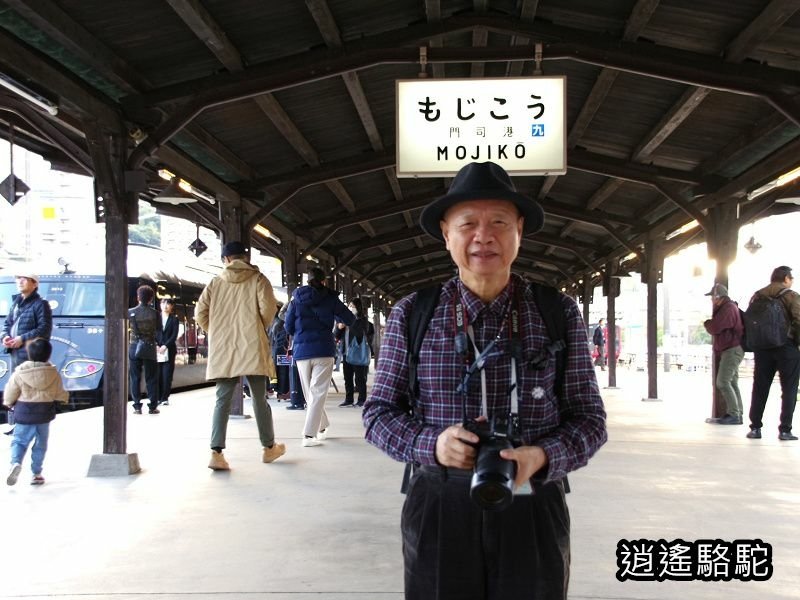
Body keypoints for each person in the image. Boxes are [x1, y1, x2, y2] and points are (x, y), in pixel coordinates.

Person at [362, 161, 607, 600]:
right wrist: (431, 445)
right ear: (445, 233)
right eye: (467, 224)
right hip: (439, 501)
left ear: (519, 231)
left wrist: (543, 456)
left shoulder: (557, 312)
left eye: (499, 222)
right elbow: (378, 414)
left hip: (533, 497)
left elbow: (590, 419)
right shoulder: (413, 312)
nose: (483, 236)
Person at [196, 241, 286, 470]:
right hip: (252, 343)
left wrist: (215, 331)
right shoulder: (258, 279)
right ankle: (268, 448)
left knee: (222, 399)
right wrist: (255, 326)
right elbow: (268, 310)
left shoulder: (215, 283)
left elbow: (200, 313)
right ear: (245, 257)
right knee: (259, 398)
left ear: (226, 259)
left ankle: (216, 453)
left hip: (224, 346)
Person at [284, 266, 354, 447]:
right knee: (316, 393)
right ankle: (309, 435)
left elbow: (288, 326)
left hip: (301, 352)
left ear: (308, 281)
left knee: (311, 394)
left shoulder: (296, 299)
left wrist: (300, 335)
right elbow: (350, 319)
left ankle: (322, 426)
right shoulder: (331, 298)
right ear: (324, 281)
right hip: (323, 350)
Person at [746, 266, 800, 441]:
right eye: (791, 278)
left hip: (763, 347)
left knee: (760, 387)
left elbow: (750, 320)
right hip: (786, 347)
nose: (792, 281)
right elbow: (799, 319)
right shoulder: (791, 295)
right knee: (789, 388)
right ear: (785, 278)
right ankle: (785, 430)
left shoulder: (757, 295)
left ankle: (755, 428)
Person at [4, 338, 68, 486]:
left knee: (19, 441)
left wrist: (8, 403)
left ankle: (15, 463)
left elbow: (10, 392)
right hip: (44, 414)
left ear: (29, 354)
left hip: (24, 412)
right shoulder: (53, 373)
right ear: (48, 355)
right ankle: (36, 473)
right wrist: (63, 400)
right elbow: (60, 393)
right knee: (40, 444)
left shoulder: (20, 372)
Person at [1, 270, 52, 433]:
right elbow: (7, 324)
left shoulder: (41, 304)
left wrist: (21, 338)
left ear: (34, 284)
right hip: (15, 352)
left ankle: (28, 424)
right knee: (17, 387)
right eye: (18, 278)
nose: (20, 281)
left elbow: (44, 328)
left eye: (24, 279)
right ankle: (17, 423)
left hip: (31, 353)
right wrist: (5, 336)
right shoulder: (16, 302)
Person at [703, 283, 744, 425]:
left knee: (722, 381)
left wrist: (707, 323)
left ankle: (734, 414)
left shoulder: (728, 308)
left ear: (718, 297)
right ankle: (738, 413)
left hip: (731, 349)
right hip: (733, 348)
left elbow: (715, 327)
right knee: (732, 382)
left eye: (712, 297)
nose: (711, 300)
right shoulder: (728, 307)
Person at [336, 297, 374, 407]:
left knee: (360, 379)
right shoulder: (344, 320)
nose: (351, 308)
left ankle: (362, 400)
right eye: (349, 306)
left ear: (358, 307)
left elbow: (360, 334)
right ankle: (349, 399)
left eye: (353, 306)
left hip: (358, 353)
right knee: (347, 378)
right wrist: (339, 328)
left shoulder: (364, 321)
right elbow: (336, 336)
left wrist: (349, 323)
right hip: (346, 353)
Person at [128, 285, 160, 415]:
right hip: (149, 347)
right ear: (151, 298)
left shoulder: (130, 312)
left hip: (134, 346)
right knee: (151, 378)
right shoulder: (155, 314)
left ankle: (137, 406)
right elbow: (159, 330)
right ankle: (152, 406)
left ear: (138, 297)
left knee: (135, 377)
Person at [157, 298, 179, 406]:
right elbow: (152, 332)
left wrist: (165, 345)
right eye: (163, 303)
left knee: (167, 375)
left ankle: (164, 398)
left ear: (172, 306)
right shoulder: (156, 318)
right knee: (157, 374)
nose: (165, 306)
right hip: (156, 350)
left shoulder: (174, 319)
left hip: (169, 350)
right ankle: (157, 397)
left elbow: (174, 335)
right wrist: (157, 345)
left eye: (168, 304)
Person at [268, 302, 290, 400]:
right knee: (283, 373)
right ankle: (282, 391)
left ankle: (277, 389)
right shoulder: (280, 323)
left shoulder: (276, 322)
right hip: (281, 351)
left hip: (276, 351)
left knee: (278, 373)